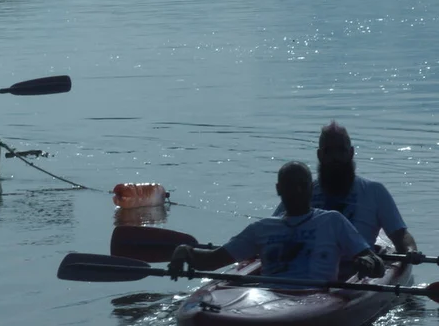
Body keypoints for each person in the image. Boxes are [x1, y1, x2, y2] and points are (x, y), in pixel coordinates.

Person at [170, 161, 385, 285]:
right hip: (270, 301)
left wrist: (369, 263)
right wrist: (185, 251)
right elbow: (211, 262)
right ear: (279, 190)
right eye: (290, 186)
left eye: (302, 185)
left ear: (311, 189)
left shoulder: (333, 221)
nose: (297, 191)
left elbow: (374, 263)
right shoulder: (261, 229)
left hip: (318, 298)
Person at [275, 121, 418, 255]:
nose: (335, 157)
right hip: (309, 269)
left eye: (340, 150)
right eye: (328, 151)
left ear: (351, 153)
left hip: (360, 267)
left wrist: (410, 252)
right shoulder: (303, 193)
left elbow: (401, 235)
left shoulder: (374, 191)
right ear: (320, 155)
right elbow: (272, 229)